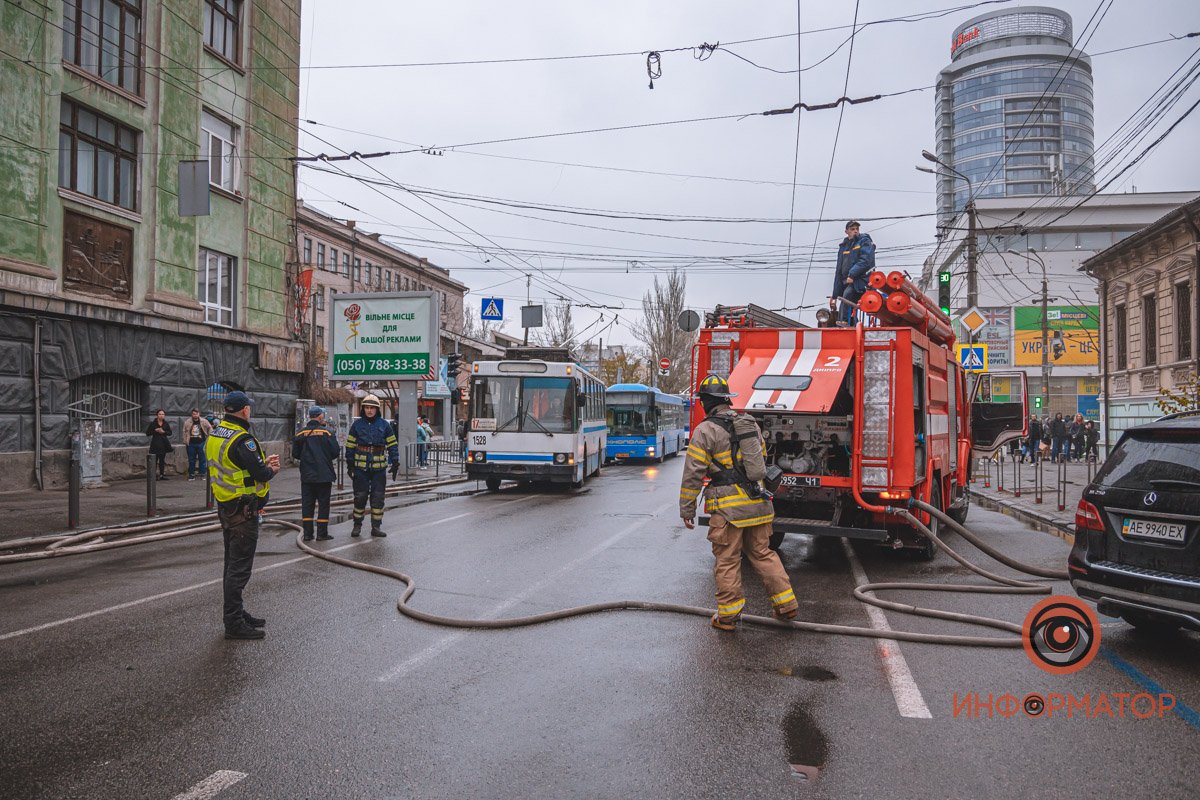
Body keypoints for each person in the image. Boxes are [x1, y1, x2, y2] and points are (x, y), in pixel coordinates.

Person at [680, 374, 799, 631]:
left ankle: (728, 617)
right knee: (763, 553)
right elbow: (762, 459)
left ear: (705, 403)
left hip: (728, 510)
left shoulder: (704, 431)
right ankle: (787, 606)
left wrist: (687, 509)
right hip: (758, 504)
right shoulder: (750, 425)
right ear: (726, 399)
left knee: (728, 560)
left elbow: (693, 473)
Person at [206, 391, 279, 640]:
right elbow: (259, 473)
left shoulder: (216, 433)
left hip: (226, 506)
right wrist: (270, 468)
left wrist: (260, 464)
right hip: (242, 511)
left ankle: (236, 612)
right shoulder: (242, 439)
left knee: (231, 564)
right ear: (244, 410)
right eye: (249, 407)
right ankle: (234, 622)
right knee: (239, 569)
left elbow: (234, 467)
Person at [345, 394, 399, 536]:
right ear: (363, 409)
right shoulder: (357, 425)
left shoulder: (384, 425)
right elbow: (350, 445)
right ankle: (357, 526)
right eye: (367, 408)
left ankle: (376, 527)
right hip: (361, 469)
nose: (369, 410)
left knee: (378, 498)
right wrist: (349, 463)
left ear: (377, 409)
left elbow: (392, 444)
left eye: (372, 408)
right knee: (360, 497)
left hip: (379, 470)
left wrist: (395, 461)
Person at [292, 406, 339, 541]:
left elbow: (295, 454)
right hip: (324, 475)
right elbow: (335, 452)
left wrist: (307, 458)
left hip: (307, 475)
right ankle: (322, 534)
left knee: (307, 504)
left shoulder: (300, 434)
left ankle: (307, 534)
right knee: (323, 504)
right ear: (319, 416)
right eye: (322, 415)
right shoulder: (328, 433)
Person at [830, 220, 876, 325]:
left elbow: (865, 261)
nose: (855, 231)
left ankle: (845, 321)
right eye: (852, 229)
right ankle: (850, 322)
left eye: (857, 229)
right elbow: (839, 271)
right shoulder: (844, 247)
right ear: (846, 231)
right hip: (849, 281)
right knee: (845, 298)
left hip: (863, 280)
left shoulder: (864, 241)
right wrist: (834, 296)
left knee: (848, 294)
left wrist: (852, 274)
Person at [182, 408, 212, 480]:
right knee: (191, 460)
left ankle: (202, 474)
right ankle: (191, 474)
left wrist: (209, 439)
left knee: (202, 459)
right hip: (191, 443)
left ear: (199, 414)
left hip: (201, 443)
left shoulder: (204, 421)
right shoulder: (187, 422)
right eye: (193, 414)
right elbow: (184, 431)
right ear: (192, 414)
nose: (195, 415)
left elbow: (210, 428)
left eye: (196, 413)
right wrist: (185, 441)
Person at [145, 409, 173, 480]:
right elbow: (148, 433)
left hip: (163, 444)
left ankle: (161, 475)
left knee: (162, 460)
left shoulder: (166, 423)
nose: (161, 415)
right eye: (160, 414)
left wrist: (163, 431)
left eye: (163, 414)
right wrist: (155, 431)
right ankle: (153, 476)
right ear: (157, 415)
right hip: (155, 444)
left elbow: (170, 433)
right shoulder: (153, 423)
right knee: (154, 460)